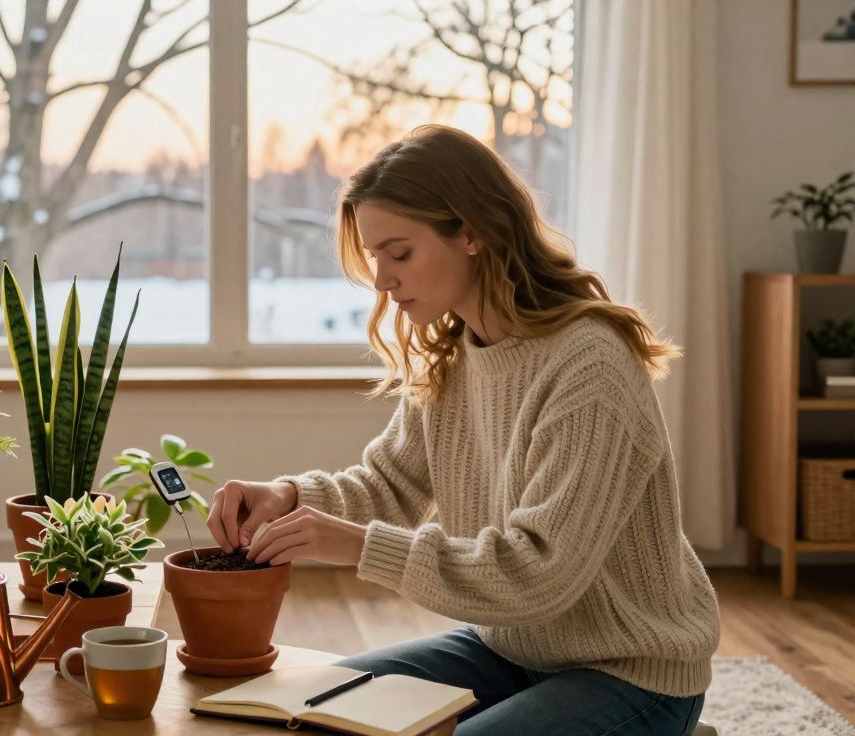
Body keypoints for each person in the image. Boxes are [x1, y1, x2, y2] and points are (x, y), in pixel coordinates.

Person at [206, 125, 720, 736]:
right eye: (376, 258)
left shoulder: (589, 367)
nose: (382, 280)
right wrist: (288, 498)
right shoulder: (454, 355)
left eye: (400, 253)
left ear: (472, 231)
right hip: (509, 650)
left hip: (632, 671)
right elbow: (389, 484)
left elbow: (539, 573)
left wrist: (355, 545)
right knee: (309, 712)